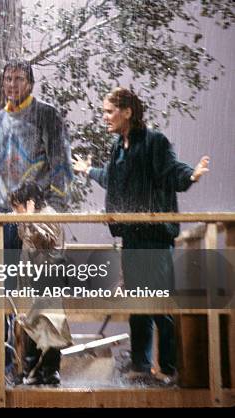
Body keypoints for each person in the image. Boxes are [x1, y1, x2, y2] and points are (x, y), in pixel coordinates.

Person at [73, 86, 210, 385]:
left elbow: (170, 170)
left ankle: (171, 369)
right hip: (132, 236)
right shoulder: (117, 146)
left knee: (160, 304)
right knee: (138, 305)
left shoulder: (154, 141)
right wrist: (89, 171)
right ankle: (141, 367)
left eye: (109, 111)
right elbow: (113, 178)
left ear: (128, 112)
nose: (105, 117)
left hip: (155, 237)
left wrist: (191, 175)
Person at [0, 59, 73, 384]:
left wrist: (49, 212)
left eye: (19, 79)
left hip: (38, 216)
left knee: (45, 290)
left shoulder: (46, 114)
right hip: (7, 218)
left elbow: (62, 165)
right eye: (8, 79)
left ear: (31, 83)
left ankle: (48, 367)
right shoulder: (0, 117)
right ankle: (16, 367)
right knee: (9, 295)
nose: (12, 85)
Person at [7, 182, 72, 385]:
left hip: (47, 278)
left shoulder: (46, 215)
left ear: (29, 203)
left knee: (50, 325)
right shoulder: (31, 218)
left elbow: (44, 241)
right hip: (33, 279)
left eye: (17, 206)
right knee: (32, 325)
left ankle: (49, 371)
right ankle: (32, 371)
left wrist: (30, 218)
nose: (14, 212)